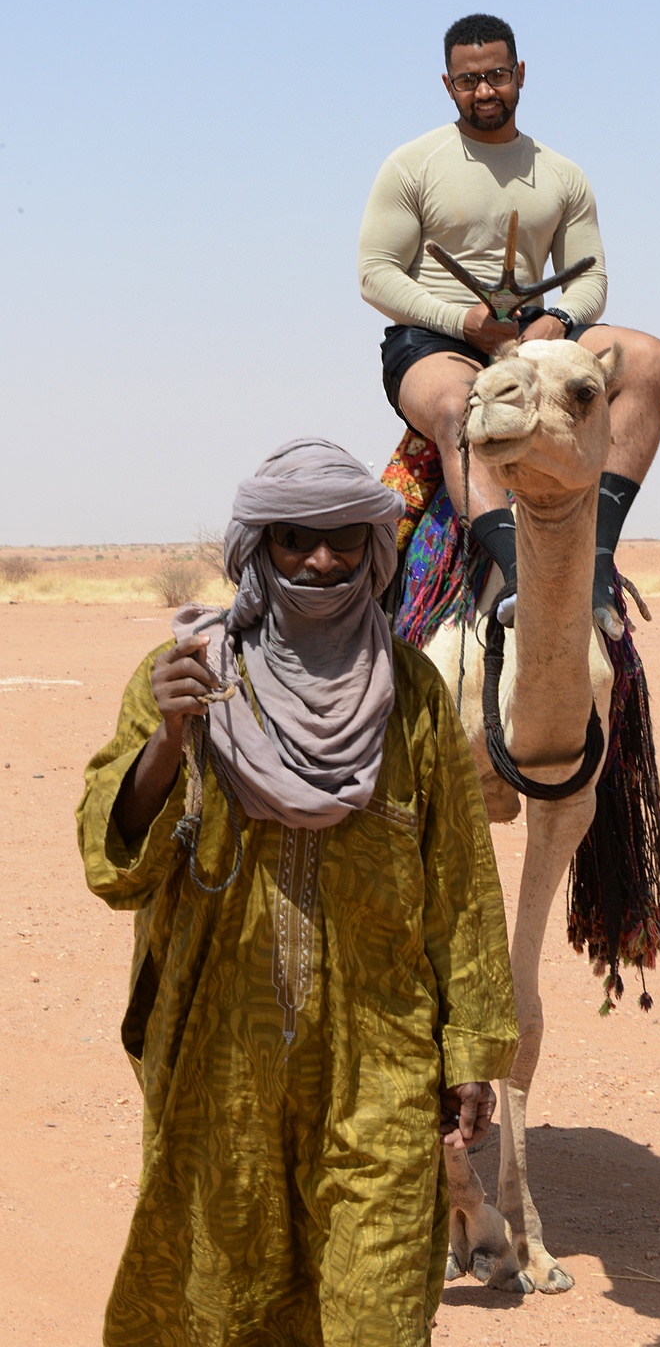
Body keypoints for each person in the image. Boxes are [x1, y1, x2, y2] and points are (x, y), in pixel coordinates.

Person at [77, 439, 519, 1347]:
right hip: (220, 1056)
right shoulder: (185, 677)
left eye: (343, 541)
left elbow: (462, 887)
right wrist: (168, 739)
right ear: (256, 548)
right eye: (294, 540)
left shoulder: (414, 697)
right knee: (220, 1293)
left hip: (382, 1054)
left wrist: (471, 1048)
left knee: (379, 1302)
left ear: (372, 548)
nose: (321, 561)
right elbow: (112, 864)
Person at [358, 11, 660, 638]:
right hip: (433, 339)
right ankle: (519, 579)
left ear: (520, 74)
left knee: (651, 359)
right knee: (458, 407)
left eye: (497, 75)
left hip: (535, 337)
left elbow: (592, 280)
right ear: (447, 85)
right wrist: (460, 319)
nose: (484, 91)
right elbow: (375, 274)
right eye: (468, 80)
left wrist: (557, 320)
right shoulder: (411, 165)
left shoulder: (561, 174)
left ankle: (597, 561)